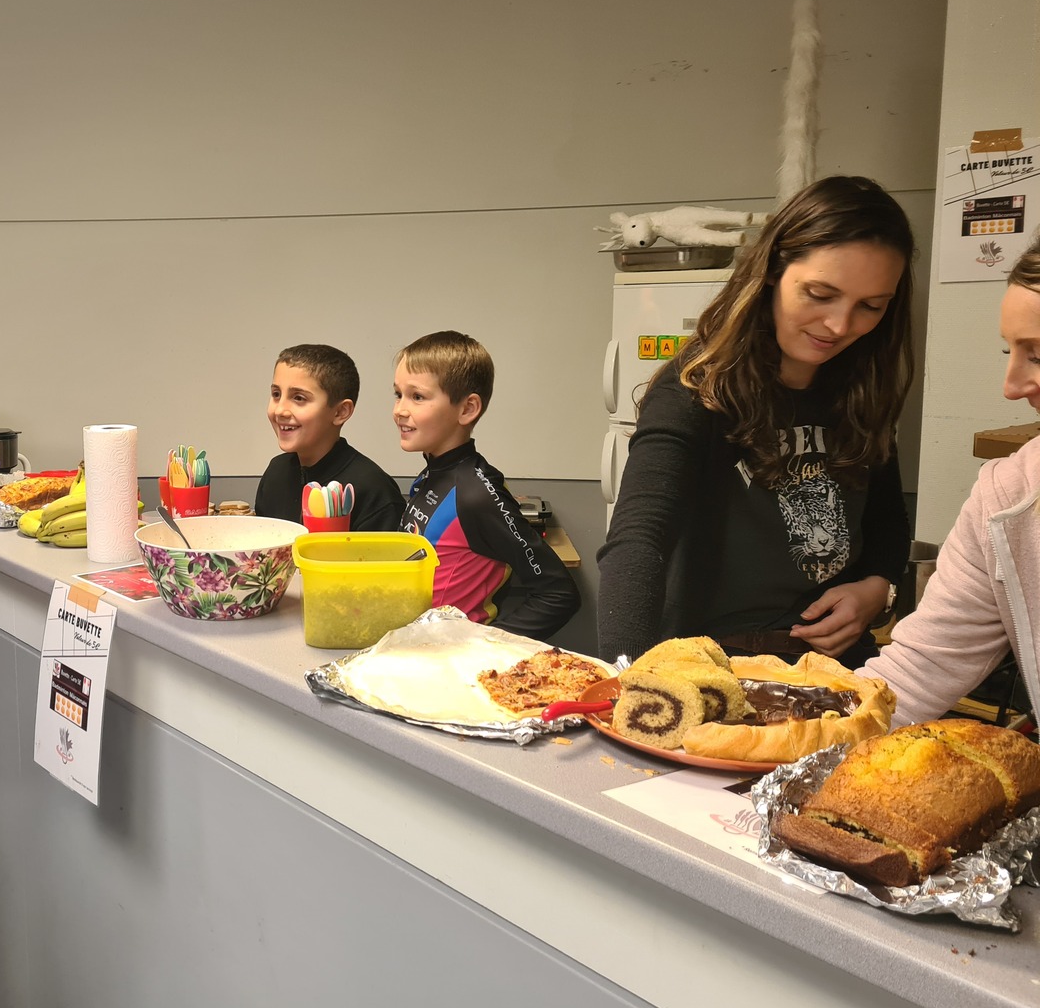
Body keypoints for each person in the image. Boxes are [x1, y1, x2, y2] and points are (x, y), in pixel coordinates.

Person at [597, 176, 915, 667]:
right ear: (771, 272)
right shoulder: (694, 391)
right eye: (819, 294)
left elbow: (886, 525)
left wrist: (878, 588)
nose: (839, 325)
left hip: (836, 666)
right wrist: (630, 680)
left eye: (870, 306)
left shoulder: (863, 390)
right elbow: (637, 541)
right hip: (713, 664)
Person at [862, 232, 1040, 722]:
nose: (1012, 386)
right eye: (1009, 352)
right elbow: (916, 672)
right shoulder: (1008, 498)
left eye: (1039, 355)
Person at [394, 330, 579, 640]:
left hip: (450, 662)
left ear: (467, 409)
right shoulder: (430, 475)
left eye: (417, 396)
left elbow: (558, 594)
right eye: (398, 394)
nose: (400, 409)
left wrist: (485, 649)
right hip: (411, 651)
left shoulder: (475, 493)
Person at [254, 344, 404, 530]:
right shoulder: (276, 472)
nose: (279, 410)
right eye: (276, 394)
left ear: (340, 412)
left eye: (299, 398)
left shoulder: (374, 491)